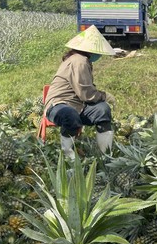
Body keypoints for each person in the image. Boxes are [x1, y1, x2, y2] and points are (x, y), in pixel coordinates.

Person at [44, 25, 117, 159]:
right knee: (70, 115)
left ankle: (105, 155)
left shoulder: (82, 60)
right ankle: (67, 154)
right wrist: (105, 96)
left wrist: (102, 99)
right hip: (58, 105)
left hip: (78, 105)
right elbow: (86, 94)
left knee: (102, 110)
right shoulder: (79, 61)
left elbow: (84, 94)